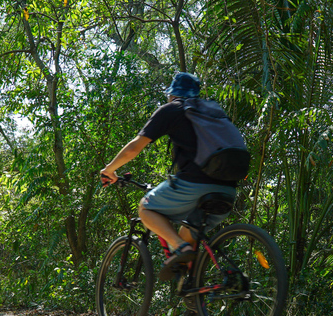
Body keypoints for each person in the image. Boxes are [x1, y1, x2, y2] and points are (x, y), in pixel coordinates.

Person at [100, 72, 237, 282]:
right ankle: (194, 292)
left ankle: (180, 248)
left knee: (146, 207)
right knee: (188, 231)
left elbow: (134, 148)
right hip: (227, 189)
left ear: (172, 95)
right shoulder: (211, 112)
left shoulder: (173, 108)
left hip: (195, 183)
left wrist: (110, 169)